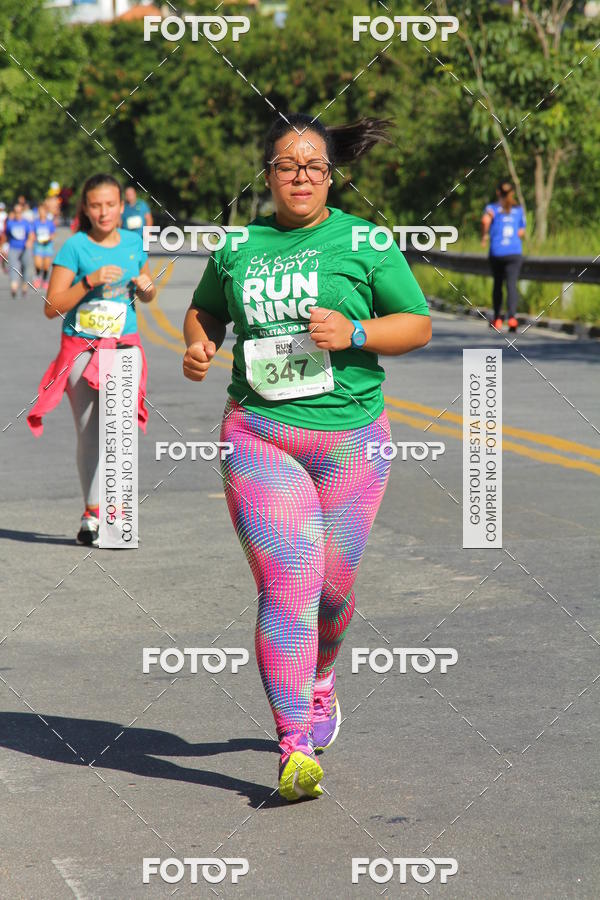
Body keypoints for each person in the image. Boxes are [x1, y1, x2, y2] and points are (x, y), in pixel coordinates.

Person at [183, 113, 432, 801]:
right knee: (290, 582)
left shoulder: (364, 239)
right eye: (287, 166)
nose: (300, 177)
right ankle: (293, 744)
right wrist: (200, 344)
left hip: (352, 438)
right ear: (267, 174)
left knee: (331, 593)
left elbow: (416, 324)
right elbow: (205, 311)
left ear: (331, 176)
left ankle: (322, 678)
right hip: (259, 434)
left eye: (314, 167)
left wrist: (354, 330)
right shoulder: (239, 245)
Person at [27, 173, 156, 546]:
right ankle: (91, 512)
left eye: (110, 205)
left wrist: (147, 290)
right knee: (90, 433)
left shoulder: (134, 243)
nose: (104, 212)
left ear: (121, 206)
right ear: (85, 207)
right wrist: (89, 282)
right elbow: (52, 307)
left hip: (123, 346)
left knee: (120, 433)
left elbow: (144, 290)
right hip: (81, 348)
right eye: (96, 205)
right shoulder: (75, 247)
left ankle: (116, 520)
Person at [481, 180, 526, 333]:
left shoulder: (492, 208)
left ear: (498, 192)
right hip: (514, 252)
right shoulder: (518, 209)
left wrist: (484, 236)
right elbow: (521, 232)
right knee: (511, 285)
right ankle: (512, 317)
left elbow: (485, 221)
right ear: (512, 193)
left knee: (498, 284)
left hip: (497, 251)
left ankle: (497, 318)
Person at [5, 202, 35, 298]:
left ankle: (24, 286)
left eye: (19, 212)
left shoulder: (26, 223)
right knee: (13, 267)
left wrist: (29, 242)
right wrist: (3, 246)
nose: (17, 214)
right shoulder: (10, 223)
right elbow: (6, 236)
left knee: (25, 267)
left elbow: (31, 234)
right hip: (13, 247)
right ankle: (14, 286)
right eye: (16, 212)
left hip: (25, 248)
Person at [32, 202, 57, 290]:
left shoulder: (49, 223)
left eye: (43, 211)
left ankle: (45, 279)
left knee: (46, 265)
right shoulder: (35, 222)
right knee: (38, 264)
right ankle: (37, 276)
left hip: (47, 245)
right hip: (38, 245)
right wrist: (34, 239)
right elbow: (32, 234)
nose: (42, 213)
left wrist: (49, 238)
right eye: (40, 211)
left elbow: (53, 234)